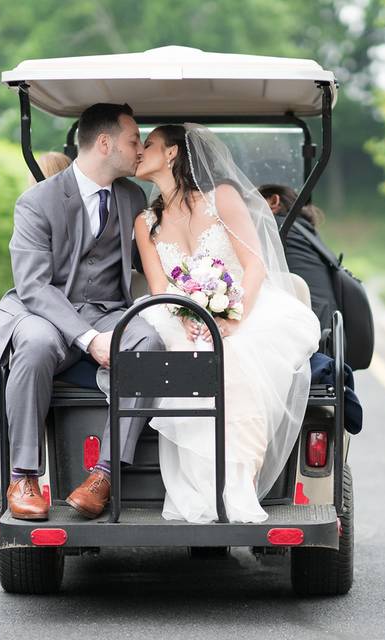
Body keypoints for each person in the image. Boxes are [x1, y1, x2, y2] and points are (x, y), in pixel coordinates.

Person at [131, 124, 320, 523]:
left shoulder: (222, 198)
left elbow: (254, 264)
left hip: (244, 305)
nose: (138, 151)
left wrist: (230, 317)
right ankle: (202, 488)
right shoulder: (145, 221)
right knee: (189, 358)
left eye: (147, 144)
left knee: (233, 356)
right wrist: (187, 317)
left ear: (171, 154)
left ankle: (237, 485)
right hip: (177, 311)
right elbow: (159, 286)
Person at [0, 103, 164, 521]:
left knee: (150, 339)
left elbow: (149, 262)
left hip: (108, 310)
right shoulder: (36, 201)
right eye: (133, 140)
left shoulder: (132, 196)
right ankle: (24, 475)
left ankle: (104, 474)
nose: (140, 149)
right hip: (47, 311)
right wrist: (89, 339)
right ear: (104, 143)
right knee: (33, 343)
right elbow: (33, 284)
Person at [258, 184, 339, 333]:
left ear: (274, 201)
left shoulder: (274, 227)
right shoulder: (304, 231)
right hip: (326, 327)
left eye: (252, 203)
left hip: (306, 327)